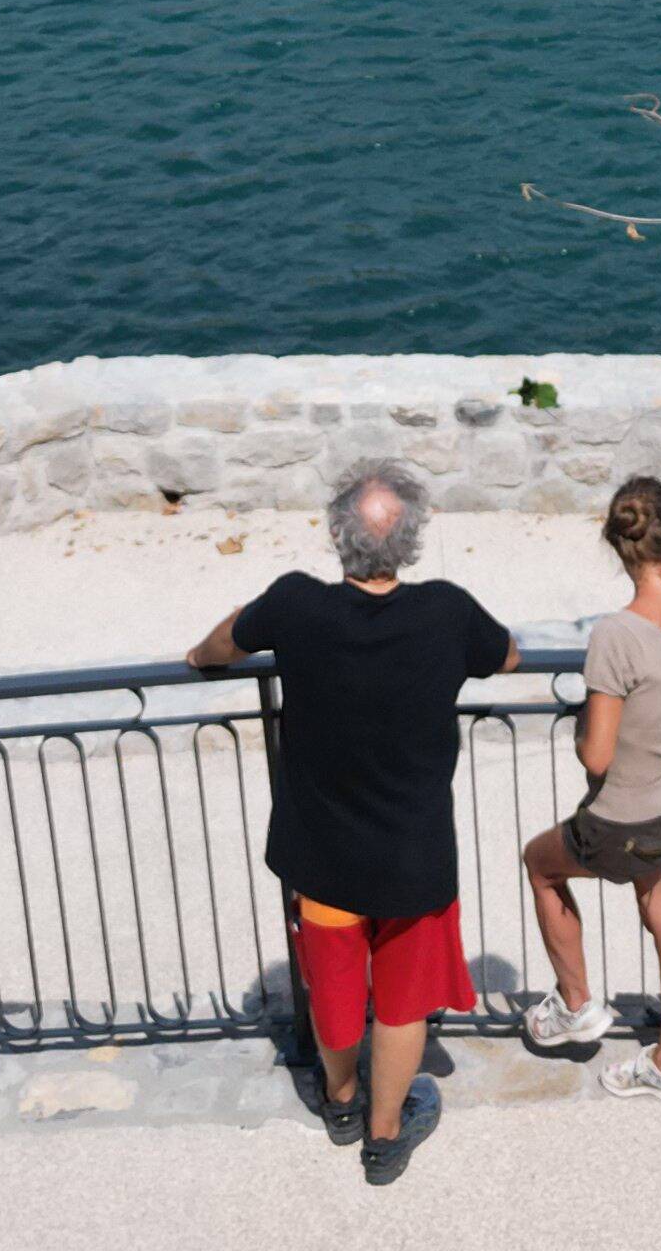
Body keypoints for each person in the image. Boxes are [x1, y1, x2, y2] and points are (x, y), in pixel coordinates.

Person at [189, 460, 516, 1185]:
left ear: (337, 535)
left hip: (324, 850)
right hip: (411, 856)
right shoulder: (446, 611)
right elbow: (508, 654)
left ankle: (340, 1101)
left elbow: (218, 646)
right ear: (413, 539)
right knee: (401, 1005)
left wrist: (197, 658)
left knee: (334, 986)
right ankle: (385, 1135)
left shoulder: (295, 604)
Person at [516, 475, 661, 1106]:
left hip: (623, 819)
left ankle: (577, 1004)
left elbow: (597, 756)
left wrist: (583, 727)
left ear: (616, 544)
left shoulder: (615, 635)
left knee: (540, 864)